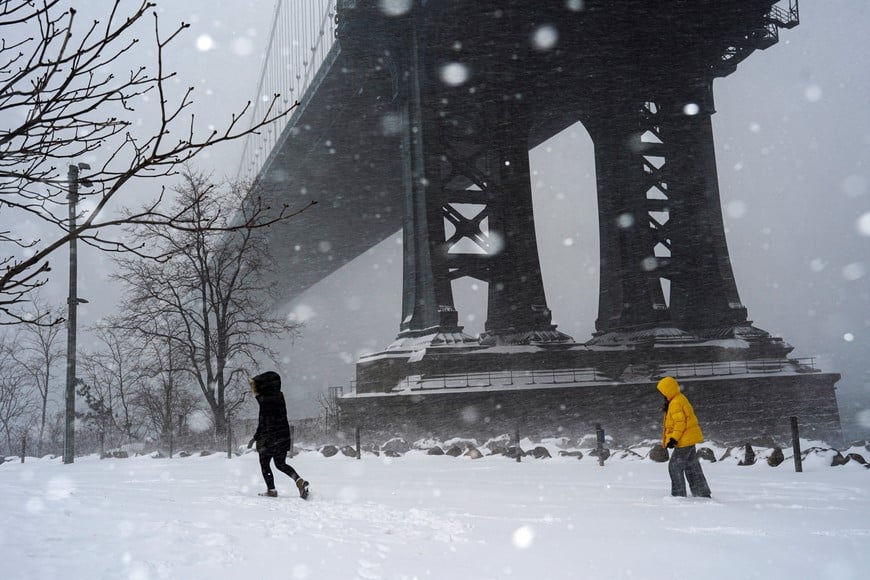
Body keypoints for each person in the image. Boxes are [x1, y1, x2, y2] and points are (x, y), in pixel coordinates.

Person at [247, 371, 309, 499]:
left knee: (264, 464)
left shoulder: (265, 399)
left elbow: (264, 421)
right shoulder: (279, 396)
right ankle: (299, 481)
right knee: (280, 464)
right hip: (283, 436)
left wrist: (256, 437)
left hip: (270, 438)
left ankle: (272, 490)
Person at [657, 376, 711, 498]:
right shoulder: (678, 399)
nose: (662, 395)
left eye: (663, 392)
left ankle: (678, 495)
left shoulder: (675, 403)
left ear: (668, 391)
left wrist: (673, 439)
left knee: (674, 466)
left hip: (684, 440)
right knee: (691, 466)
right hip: (689, 439)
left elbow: (680, 423)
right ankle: (702, 493)